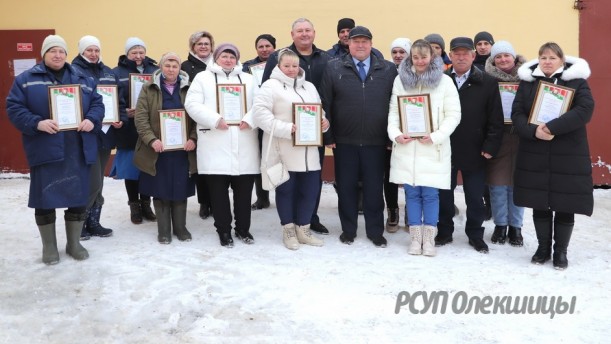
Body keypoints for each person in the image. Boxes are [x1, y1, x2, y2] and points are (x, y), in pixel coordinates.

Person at [6, 34, 104, 264]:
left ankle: (74, 243)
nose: (57, 55)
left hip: (77, 148)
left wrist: (91, 119)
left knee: (78, 197)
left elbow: (98, 103)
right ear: (44, 54)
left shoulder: (83, 78)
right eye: (52, 51)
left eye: (61, 51)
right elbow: (14, 107)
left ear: (67, 54)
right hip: (45, 148)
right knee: (44, 198)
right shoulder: (26, 79)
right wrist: (36, 123)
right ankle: (49, 246)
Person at [512, 42, 594, 270]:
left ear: (561, 60)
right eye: (543, 57)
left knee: (564, 202)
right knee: (540, 202)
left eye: (552, 57)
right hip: (535, 150)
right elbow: (517, 113)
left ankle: (561, 252)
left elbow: (585, 109)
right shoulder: (529, 83)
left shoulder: (576, 81)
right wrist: (534, 131)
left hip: (567, 153)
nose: (547, 61)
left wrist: (551, 127)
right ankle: (542, 248)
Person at [321, 26, 397, 247]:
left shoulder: (388, 69)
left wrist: (391, 137)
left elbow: (395, 105)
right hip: (344, 141)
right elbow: (326, 103)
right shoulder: (333, 68)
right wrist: (329, 135)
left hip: (377, 141)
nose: (360, 45)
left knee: (375, 188)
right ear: (349, 44)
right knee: (346, 187)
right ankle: (348, 230)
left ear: (371, 44)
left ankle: (375, 231)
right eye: (356, 42)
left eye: (365, 41)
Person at [388, 39, 461, 256]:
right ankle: (415, 238)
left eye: (424, 57)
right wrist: (397, 134)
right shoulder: (400, 81)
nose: (420, 61)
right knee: (411, 194)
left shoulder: (445, 82)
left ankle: (428, 239)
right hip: (408, 148)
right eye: (416, 57)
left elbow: (454, 114)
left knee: (430, 195)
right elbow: (393, 112)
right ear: (411, 58)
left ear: (432, 57)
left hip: (432, 148)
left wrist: (436, 136)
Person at [252, 49, 330, 249]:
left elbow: (318, 111)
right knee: (286, 190)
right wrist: (286, 129)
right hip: (283, 149)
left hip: (309, 150)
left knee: (310, 191)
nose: (291, 70)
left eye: (295, 66)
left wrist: (323, 123)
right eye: (287, 66)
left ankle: (303, 229)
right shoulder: (271, 86)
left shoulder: (310, 87)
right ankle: (288, 231)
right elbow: (260, 114)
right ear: (279, 66)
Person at [185, 43, 259, 248]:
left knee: (244, 193)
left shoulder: (249, 79)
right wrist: (215, 119)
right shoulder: (202, 78)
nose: (228, 60)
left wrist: (250, 120)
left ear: (237, 59)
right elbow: (192, 104)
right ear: (216, 58)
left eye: (232, 56)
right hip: (215, 143)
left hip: (245, 143)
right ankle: (224, 230)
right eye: (224, 56)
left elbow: (260, 104)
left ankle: (243, 229)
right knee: (218, 194)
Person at [436, 37, 504, 253]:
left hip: (476, 148)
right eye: (457, 53)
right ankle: (444, 231)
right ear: (450, 56)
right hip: (445, 147)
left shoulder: (487, 82)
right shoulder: (441, 80)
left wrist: (490, 146)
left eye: (466, 53)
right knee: (444, 193)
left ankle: (475, 233)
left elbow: (496, 119)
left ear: (473, 56)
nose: (461, 56)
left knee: (475, 196)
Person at [134, 52, 197, 244]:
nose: (171, 69)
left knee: (180, 187)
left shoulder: (189, 89)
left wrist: (193, 138)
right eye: (167, 65)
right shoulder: (149, 88)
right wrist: (151, 140)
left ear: (180, 68)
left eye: (175, 65)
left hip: (182, 150)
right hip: (157, 150)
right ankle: (163, 230)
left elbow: (197, 116)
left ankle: (180, 227)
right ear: (161, 67)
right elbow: (141, 117)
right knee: (160, 189)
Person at [71, 35, 123, 240]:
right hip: (84, 135)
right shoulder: (73, 71)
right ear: (81, 51)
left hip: (106, 134)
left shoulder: (108, 72)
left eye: (96, 50)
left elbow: (118, 100)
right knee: (89, 181)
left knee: (99, 181)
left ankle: (94, 222)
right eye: (89, 50)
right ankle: (80, 222)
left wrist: (119, 118)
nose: (93, 54)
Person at [483, 40, 527, 246]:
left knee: (518, 184)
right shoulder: (487, 79)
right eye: (498, 56)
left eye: (506, 55)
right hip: (497, 137)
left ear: (514, 57)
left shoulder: (528, 78)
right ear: (493, 60)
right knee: (498, 184)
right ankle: (501, 225)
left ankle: (516, 227)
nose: (502, 60)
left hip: (521, 137)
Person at [111, 37, 159, 224]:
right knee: (131, 170)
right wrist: (124, 112)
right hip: (128, 128)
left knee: (147, 168)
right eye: (134, 52)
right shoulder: (117, 72)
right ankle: (134, 206)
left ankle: (146, 204)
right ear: (127, 53)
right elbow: (112, 99)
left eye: (141, 52)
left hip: (149, 127)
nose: (138, 56)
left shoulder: (154, 71)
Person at [181, 31, 215, 220]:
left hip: (216, 120)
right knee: (200, 164)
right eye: (199, 44)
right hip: (193, 119)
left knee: (215, 162)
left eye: (206, 44)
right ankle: (204, 202)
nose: (203, 47)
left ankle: (216, 199)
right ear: (193, 46)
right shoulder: (185, 67)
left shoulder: (217, 64)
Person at [243, 34, 276, 213]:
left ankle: (284, 194)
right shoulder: (247, 67)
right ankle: (262, 198)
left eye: (268, 46)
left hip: (277, 114)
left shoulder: (281, 63)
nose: (264, 49)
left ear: (274, 47)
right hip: (256, 116)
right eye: (261, 46)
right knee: (259, 157)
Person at [384, 37, 412, 232]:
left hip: (412, 131)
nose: (398, 55)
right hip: (390, 131)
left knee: (411, 173)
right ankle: (392, 210)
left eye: (402, 52)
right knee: (390, 174)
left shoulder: (417, 73)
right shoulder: (386, 73)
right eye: (394, 52)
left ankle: (411, 211)